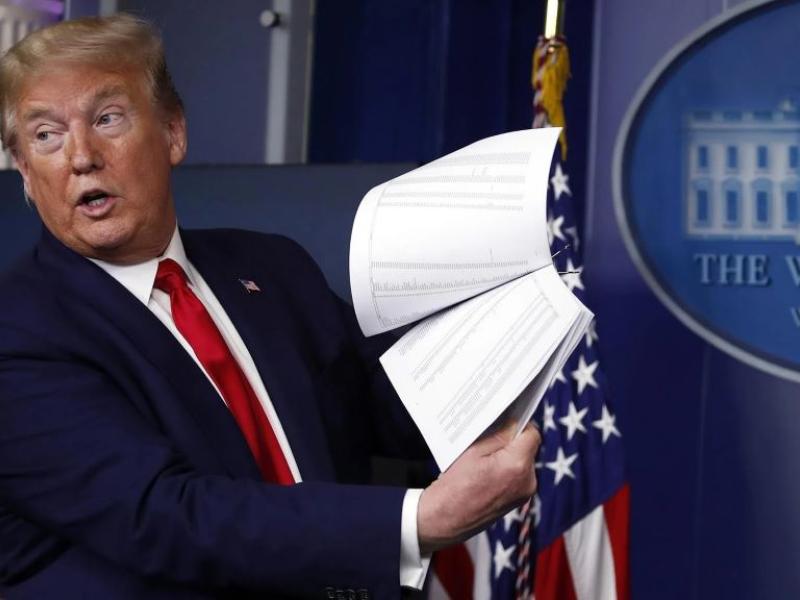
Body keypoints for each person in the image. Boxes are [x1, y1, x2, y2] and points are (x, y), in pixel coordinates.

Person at [0, 14, 541, 599]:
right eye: (46, 135)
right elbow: (165, 516)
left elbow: (396, 406)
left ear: (173, 132)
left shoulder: (273, 268)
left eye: (107, 118)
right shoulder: (18, 332)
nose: (81, 156)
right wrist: (414, 523)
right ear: (25, 172)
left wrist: (504, 362)